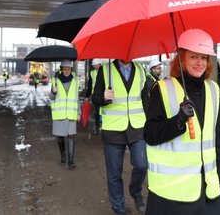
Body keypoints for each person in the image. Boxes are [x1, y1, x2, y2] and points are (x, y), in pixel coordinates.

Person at [143, 29, 220, 215]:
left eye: (204, 57)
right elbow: (150, 135)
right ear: (181, 59)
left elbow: (217, 141)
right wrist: (179, 120)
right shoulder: (162, 89)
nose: (200, 63)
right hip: (174, 191)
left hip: (207, 188)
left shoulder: (214, 90)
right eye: (193, 57)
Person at [92, 59, 148, 215]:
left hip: (137, 127)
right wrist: (103, 97)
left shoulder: (141, 70)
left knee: (142, 164)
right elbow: (94, 98)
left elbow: (147, 99)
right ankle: (119, 209)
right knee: (114, 173)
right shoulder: (105, 70)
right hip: (113, 129)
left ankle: (135, 191)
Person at [50, 59, 80, 169]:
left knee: (71, 136)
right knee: (60, 137)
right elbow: (51, 97)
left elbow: (76, 99)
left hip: (71, 113)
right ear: (61, 69)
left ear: (71, 69)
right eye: (65, 69)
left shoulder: (76, 81)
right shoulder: (55, 80)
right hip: (59, 114)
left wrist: (79, 112)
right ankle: (63, 154)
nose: (67, 71)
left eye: (68, 69)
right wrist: (53, 92)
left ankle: (71, 161)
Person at [85, 59, 102, 135]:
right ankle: (97, 127)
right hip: (95, 96)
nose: (94, 66)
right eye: (94, 65)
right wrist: (87, 96)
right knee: (97, 112)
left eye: (95, 65)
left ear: (99, 64)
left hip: (103, 95)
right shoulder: (92, 73)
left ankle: (102, 126)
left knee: (103, 112)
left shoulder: (104, 72)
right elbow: (90, 85)